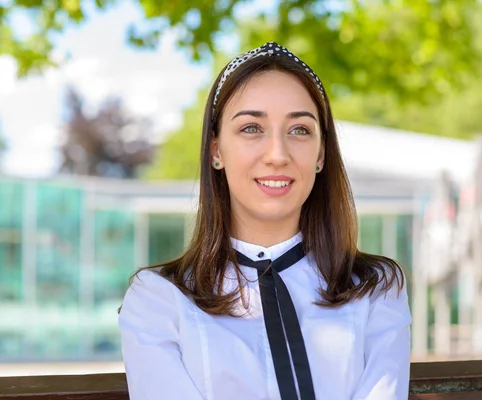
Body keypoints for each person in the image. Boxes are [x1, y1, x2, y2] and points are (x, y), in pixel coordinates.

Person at [118, 41, 412, 400]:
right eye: (251, 129)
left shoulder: (376, 288)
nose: (277, 155)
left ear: (321, 153)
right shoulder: (159, 300)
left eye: (300, 130)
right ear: (216, 150)